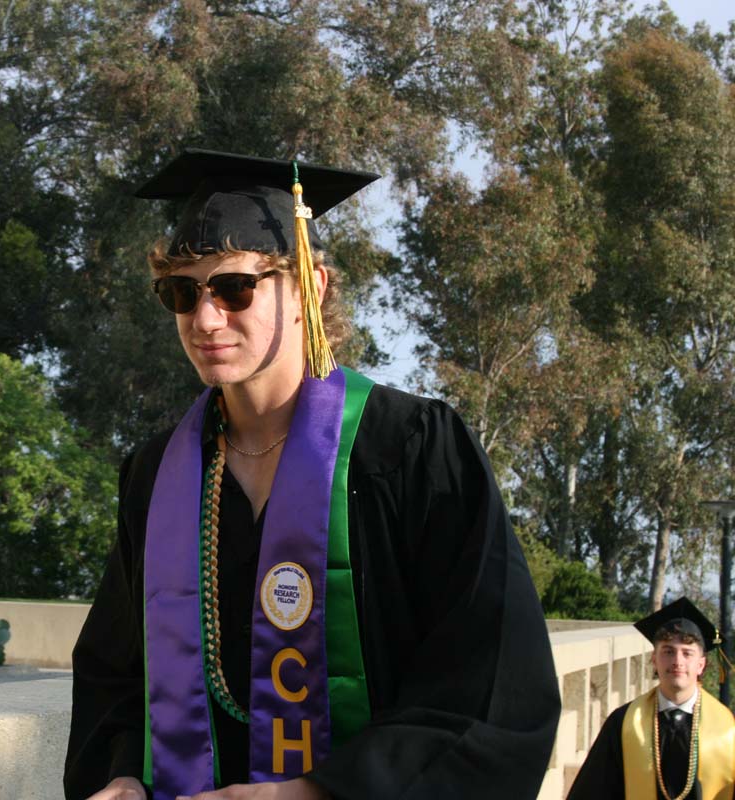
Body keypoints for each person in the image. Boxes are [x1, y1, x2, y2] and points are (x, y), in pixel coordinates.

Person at [64, 149, 561, 800]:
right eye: (182, 292)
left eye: (234, 287)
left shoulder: (411, 450)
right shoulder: (158, 477)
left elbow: (492, 683)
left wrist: (313, 792)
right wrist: (123, 774)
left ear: (309, 287)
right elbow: (118, 677)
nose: (205, 318)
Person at [566, 597, 735, 800]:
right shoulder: (623, 723)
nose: (677, 661)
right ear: (654, 659)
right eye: (668, 652)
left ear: (701, 665)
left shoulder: (728, 729)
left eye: (687, 653)